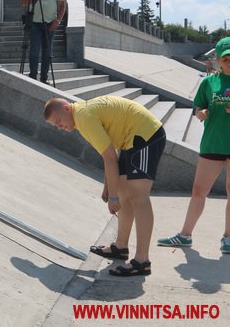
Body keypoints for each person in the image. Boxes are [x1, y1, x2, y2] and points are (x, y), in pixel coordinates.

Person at [44, 95, 166, 276]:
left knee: (139, 197)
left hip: (146, 135)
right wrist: (109, 188)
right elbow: (110, 155)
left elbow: (109, 157)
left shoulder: (83, 117)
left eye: (59, 121)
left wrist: (112, 197)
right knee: (125, 194)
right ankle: (121, 246)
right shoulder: (82, 114)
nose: (60, 126)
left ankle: (142, 261)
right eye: (56, 125)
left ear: (66, 108)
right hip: (130, 139)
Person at [157, 37, 230, 253]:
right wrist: (201, 114)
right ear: (217, 60)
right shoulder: (209, 83)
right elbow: (198, 108)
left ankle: (228, 238)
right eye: (226, 58)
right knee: (199, 192)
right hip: (212, 144)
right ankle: (185, 235)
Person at [21, 0, 66, 84]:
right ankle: (33, 77)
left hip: (50, 23)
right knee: (34, 50)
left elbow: (62, 5)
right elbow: (23, 2)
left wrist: (58, 20)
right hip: (34, 23)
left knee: (47, 52)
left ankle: (44, 79)